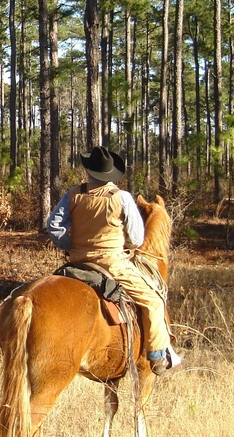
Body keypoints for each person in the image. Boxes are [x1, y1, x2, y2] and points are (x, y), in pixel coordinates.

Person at [46, 145, 181, 376]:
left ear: (89, 171)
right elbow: (138, 239)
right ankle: (158, 355)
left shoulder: (73, 194)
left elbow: (53, 226)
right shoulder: (122, 198)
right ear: (111, 174)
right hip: (112, 263)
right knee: (154, 300)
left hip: (77, 261)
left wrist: (72, 246)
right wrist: (123, 244)